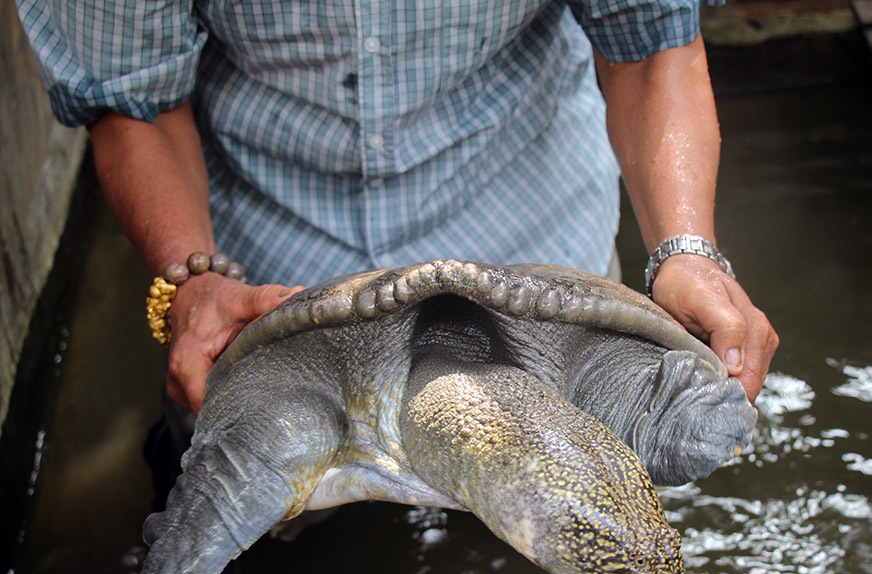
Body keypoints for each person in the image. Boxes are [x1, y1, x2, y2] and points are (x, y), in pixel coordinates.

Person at [18, 1, 777, 418]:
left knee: (551, 544)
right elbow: (134, 98)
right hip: (272, 275)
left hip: (528, 236)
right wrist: (189, 276)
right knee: (262, 560)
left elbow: (647, 40)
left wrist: (685, 247)